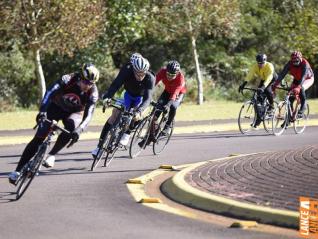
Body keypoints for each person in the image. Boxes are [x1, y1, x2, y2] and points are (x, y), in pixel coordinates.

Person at [8, 63, 100, 184]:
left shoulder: (93, 93)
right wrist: (42, 111)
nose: (88, 86)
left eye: (91, 83)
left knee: (72, 128)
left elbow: (89, 115)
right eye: (86, 82)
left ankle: (51, 155)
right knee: (39, 138)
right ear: (80, 77)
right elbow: (49, 92)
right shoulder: (68, 79)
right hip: (56, 106)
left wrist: (79, 130)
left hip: (74, 113)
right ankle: (17, 171)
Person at [91, 54, 155, 156]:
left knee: (137, 116)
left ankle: (127, 133)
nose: (140, 76)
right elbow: (116, 85)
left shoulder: (150, 78)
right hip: (127, 95)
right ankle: (99, 147)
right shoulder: (127, 70)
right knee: (114, 115)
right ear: (133, 69)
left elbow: (147, 99)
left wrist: (139, 112)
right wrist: (107, 97)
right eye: (137, 73)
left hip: (140, 98)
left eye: (142, 73)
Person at [239, 53, 277, 127]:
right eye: (259, 63)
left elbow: (269, 78)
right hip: (263, 80)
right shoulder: (255, 66)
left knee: (267, 90)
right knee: (257, 100)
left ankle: (271, 106)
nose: (260, 64)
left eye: (262, 63)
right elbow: (250, 75)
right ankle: (259, 118)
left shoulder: (269, 66)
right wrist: (243, 84)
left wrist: (263, 88)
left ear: (265, 61)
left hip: (272, 79)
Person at [272, 51, 314, 117]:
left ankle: (303, 108)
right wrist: (275, 84)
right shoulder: (290, 63)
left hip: (307, 79)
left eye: (297, 60)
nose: (295, 62)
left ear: (301, 58)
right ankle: (290, 117)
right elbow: (282, 74)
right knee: (290, 97)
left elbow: (303, 77)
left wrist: (298, 87)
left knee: (301, 88)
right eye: (293, 60)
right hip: (297, 79)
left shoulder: (305, 63)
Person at [154, 60, 186, 135]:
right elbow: (153, 83)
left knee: (173, 106)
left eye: (172, 75)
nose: (169, 77)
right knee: (158, 108)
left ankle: (168, 125)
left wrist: (168, 105)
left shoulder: (180, 78)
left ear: (177, 73)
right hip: (167, 91)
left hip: (178, 93)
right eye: (168, 74)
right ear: (166, 71)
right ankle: (154, 129)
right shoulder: (162, 72)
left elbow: (175, 94)